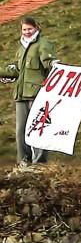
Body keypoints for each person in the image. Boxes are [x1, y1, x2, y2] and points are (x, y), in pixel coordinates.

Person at [0, 17, 57, 166]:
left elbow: (48, 63)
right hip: (21, 94)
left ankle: (40, 162)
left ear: (36, 28)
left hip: (37, 93)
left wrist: (54, 64)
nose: (26, 32)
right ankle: (24, 161)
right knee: (21, 130)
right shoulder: (21, 48)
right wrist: (4, 74)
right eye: (24, 29)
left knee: (38, 127)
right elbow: (18, 70)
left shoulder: (43, 44)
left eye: (29, 29)